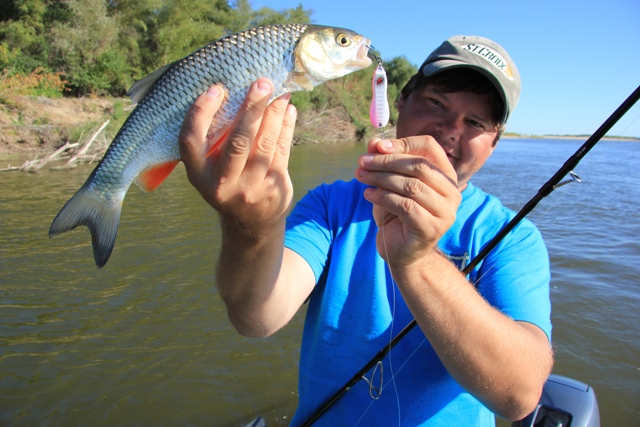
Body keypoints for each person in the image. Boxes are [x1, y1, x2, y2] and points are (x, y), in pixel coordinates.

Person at [178, 35, 554, 426]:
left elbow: (519, 396)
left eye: (475, 122)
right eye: (436, 103)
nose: (450, 130)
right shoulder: (330, 205)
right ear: (400, 101)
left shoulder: (512, 236)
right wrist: (252, 223)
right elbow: (256, 317)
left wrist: (418, 261)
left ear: (494, 143)